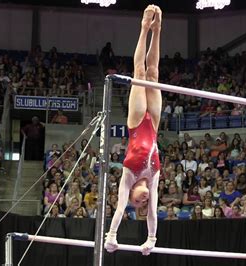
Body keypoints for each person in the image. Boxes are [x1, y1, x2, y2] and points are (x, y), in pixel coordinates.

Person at [105, 5, 162, 256]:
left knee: (140, 72)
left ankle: (143, 28)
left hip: (138, 123)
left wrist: (111, 236)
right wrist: (151, 239)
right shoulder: (154, 178)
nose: (144, 200)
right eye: (144, 203)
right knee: (154, 74)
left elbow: (119, 209)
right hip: (155, 125)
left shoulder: (128, 177)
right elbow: (153, 213)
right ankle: (158, 30)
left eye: (138, 202)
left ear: (131, 197)